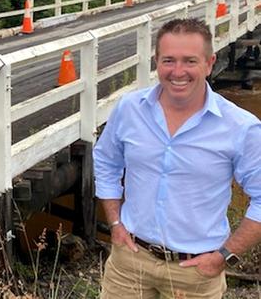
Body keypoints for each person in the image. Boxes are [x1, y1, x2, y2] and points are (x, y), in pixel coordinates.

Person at [94, 18, 261, 298]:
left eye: (190, 61)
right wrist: (114, 223)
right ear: (156, 61)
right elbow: (107, 162)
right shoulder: (129, 109)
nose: (178, 71)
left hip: (196, 270)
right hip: (130, 260)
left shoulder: (241, 127)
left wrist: (225, 256)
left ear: (209, 63)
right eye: (169, 60)